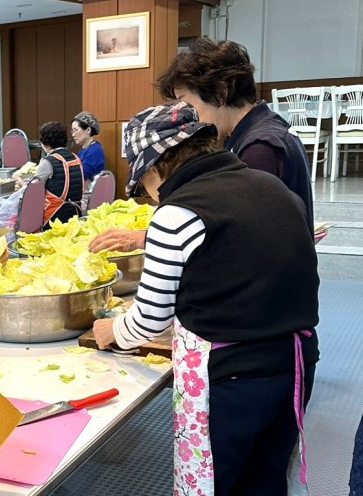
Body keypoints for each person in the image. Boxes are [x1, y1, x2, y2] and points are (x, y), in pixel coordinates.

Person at [92, 102, 319, 495]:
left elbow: (149, 321)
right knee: (265, 482)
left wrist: (111, 329)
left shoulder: (177, 212)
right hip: (294, 365)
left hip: (229, 381)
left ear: (155, 166)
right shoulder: (275, 190)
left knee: (215, 486)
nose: (149, 195)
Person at [156, 37, 314, 226]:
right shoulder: (257, 130)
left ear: (220, 93)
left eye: (188, 104)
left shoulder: (260, 147)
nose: (188, 116)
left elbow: (243, 228)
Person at [31, 121, 84, 228]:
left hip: (54, 219)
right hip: (75, 215)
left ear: (45, 143)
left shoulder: (48, 161)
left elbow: (32, 190)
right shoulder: (75, 157)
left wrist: (20, 180)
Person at [70, 111, 105, 183]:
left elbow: (82, 175)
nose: (73, 135)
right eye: (72, 131)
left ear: (88, 130)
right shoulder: (83, 150)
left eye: (76, 130)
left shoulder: (95, 150)